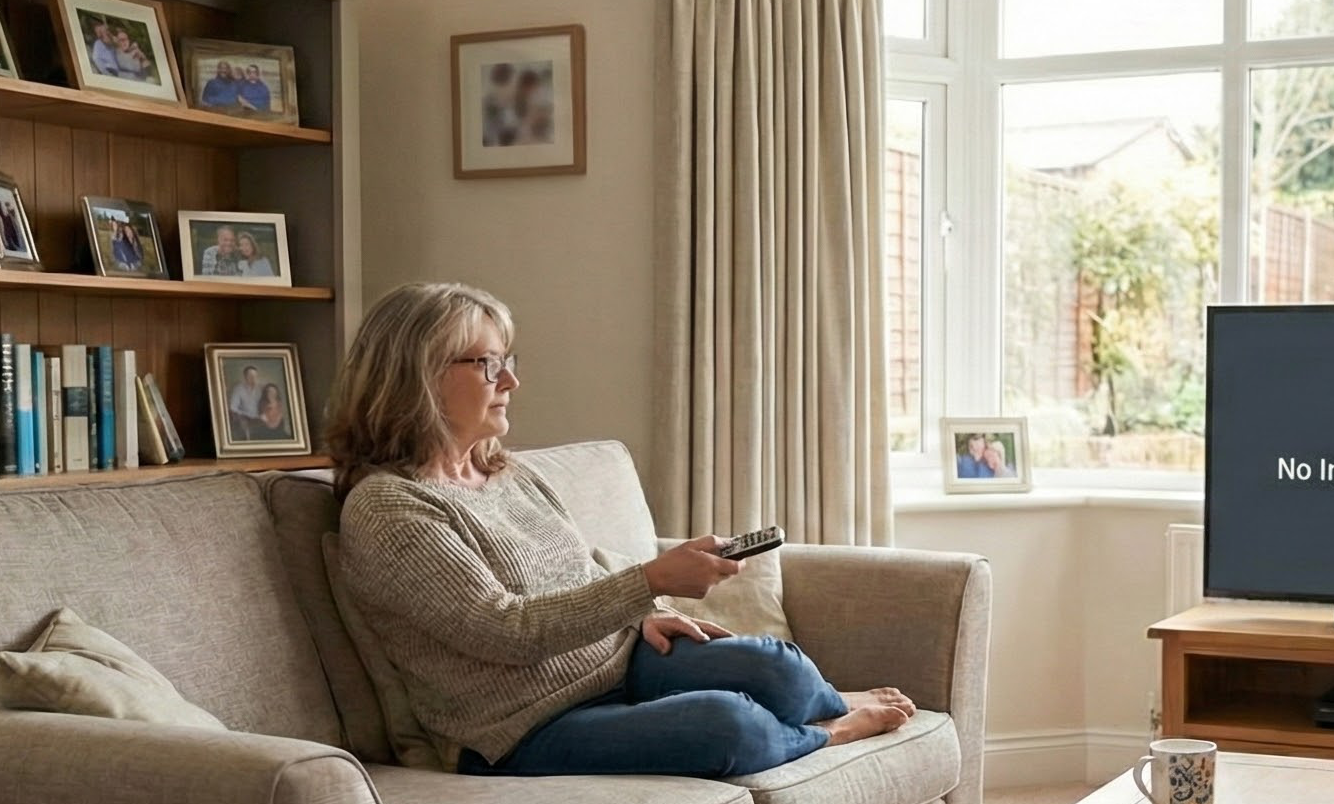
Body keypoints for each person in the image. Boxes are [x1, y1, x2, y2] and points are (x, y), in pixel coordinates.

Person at [323, 280, 915, 778]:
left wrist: (643, 613)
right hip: (522, 728)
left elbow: (576, 573)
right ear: (417, 376)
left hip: (616, 662)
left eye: (509, 361)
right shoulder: (389, 509)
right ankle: (830, 732)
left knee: (774, 665)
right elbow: (506, 630)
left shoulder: (506, 471)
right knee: (726, 724)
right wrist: (650, 578)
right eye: (487, 364)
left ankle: (825, 702)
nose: (510, 382)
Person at [228, 366, 263, 437]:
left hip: (260, 418)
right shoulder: (238, 389)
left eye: (255, 376)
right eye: (250, 376)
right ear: (245, 377)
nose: (253, 378)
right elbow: (232, 407)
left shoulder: (261, 389)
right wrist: (244, 415)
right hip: (245, 418)